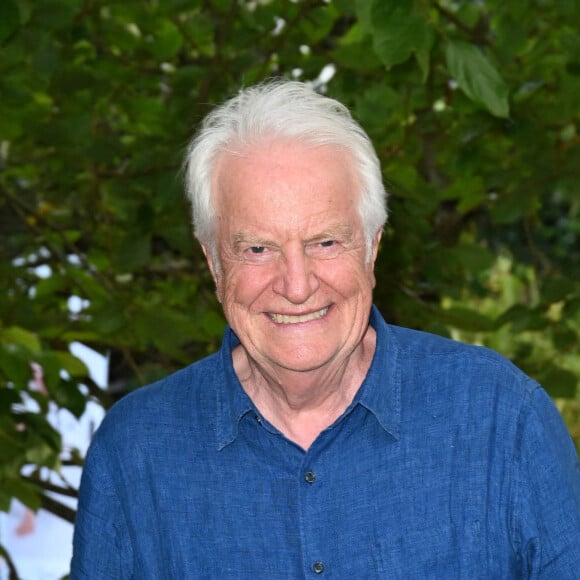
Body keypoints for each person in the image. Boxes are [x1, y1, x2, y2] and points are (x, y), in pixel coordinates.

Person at [71, 80, 580, 578]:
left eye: (325, 243)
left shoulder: (502, 419)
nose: (296, 285)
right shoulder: (134, 452)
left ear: (372, 247)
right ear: (213, 263)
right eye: (257, 249)